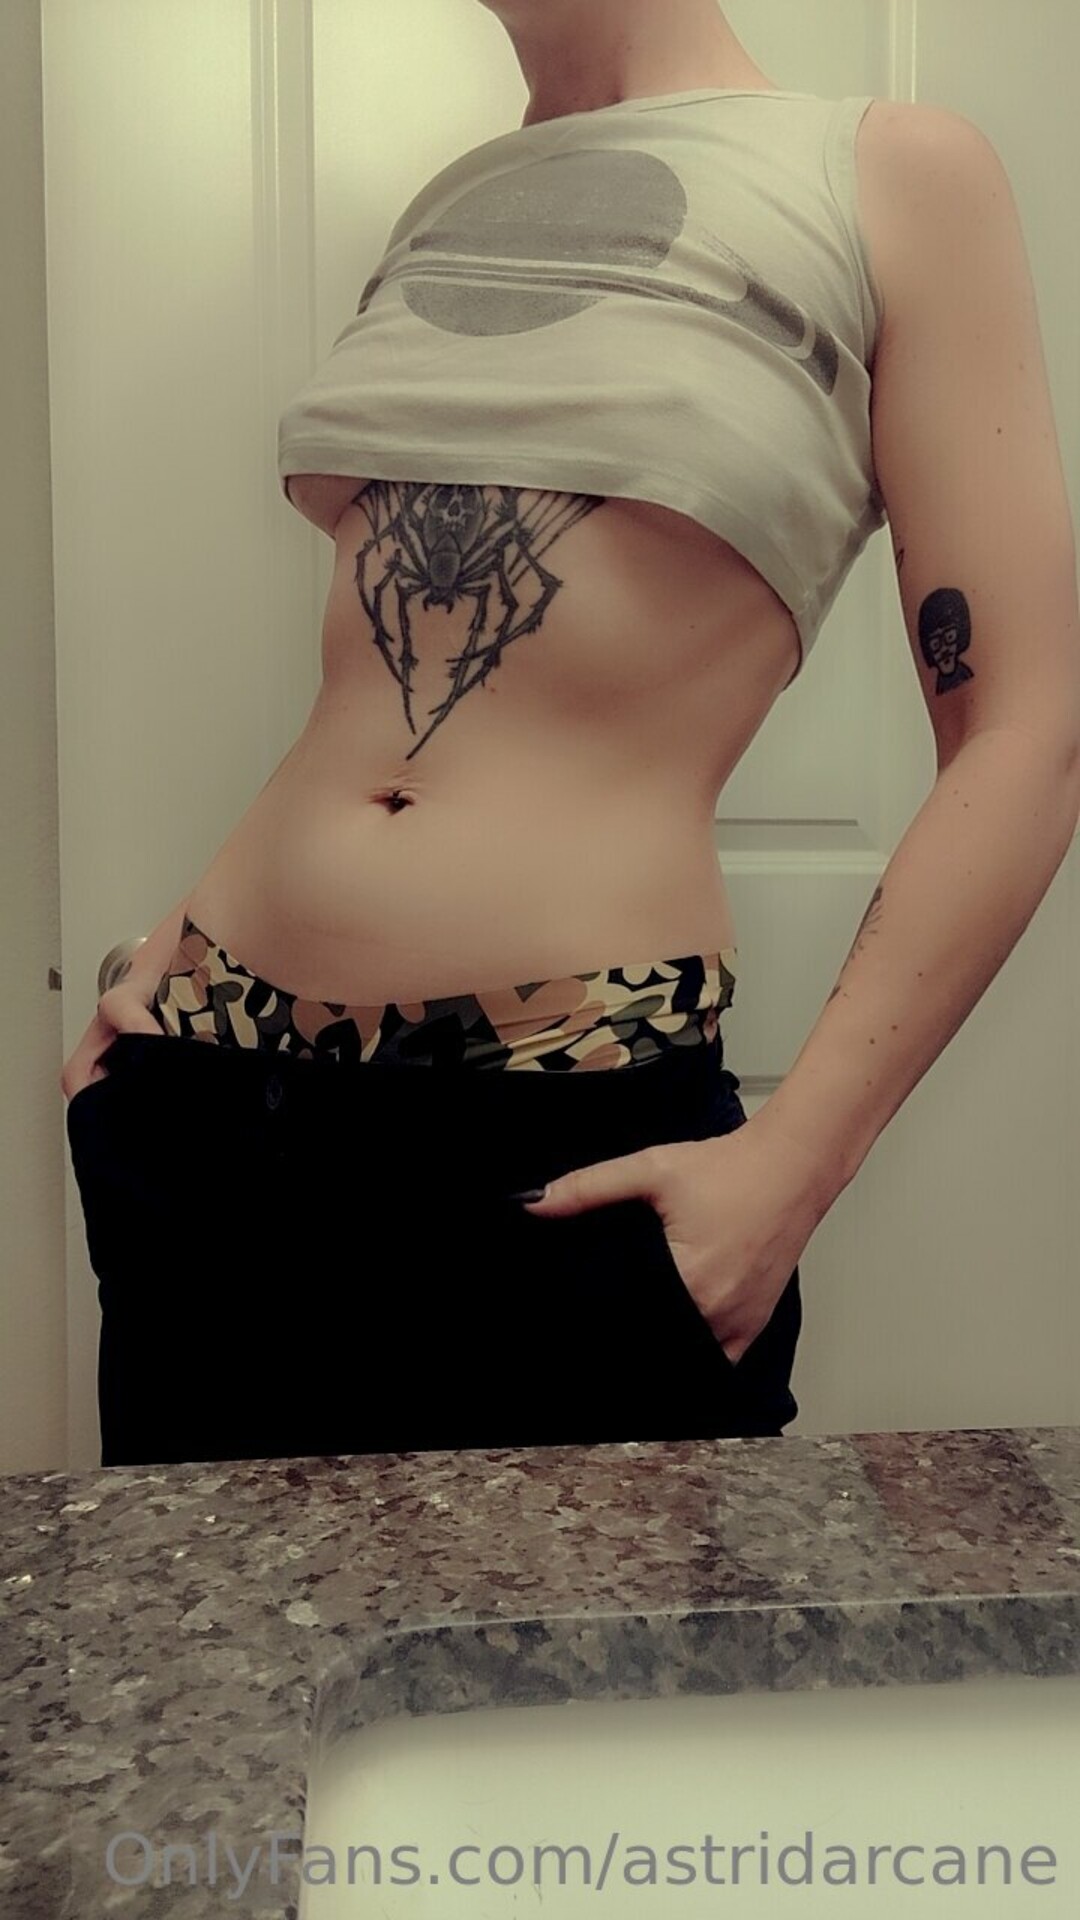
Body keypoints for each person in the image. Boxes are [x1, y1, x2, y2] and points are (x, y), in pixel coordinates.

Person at [61, 0, 1080, 1468]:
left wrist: (797, 1165)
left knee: (601, 1630)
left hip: (560, 1148)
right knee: (212, 1624)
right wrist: (152, 980)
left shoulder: (890, 175)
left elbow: (1026, 729)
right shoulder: (452, 204)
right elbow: (382, 694)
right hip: (212, 1113)